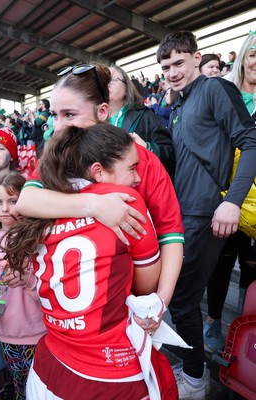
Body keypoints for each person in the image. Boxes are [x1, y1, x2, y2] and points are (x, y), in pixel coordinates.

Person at [5, 123, 177, 400]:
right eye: (132, 168)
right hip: (108, 370)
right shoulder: (126, 200)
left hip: (49, 363)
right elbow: (145, 285)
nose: (137, 178)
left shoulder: (44, 202)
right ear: (98, 171)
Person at [16, 63, 184, 312]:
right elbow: (26, 200)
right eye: (54, 115)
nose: (58, 126)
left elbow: (171, 233)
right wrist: (95, 205)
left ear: (103, 111)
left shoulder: (140, 158)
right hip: (69, 305)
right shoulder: (56, 157)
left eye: (69, 115)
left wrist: (160, 300)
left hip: (127, 304)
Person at [156, 30, 256, 399]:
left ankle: (196, 378)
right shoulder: (180, 106)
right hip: (183, 212)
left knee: (182, 298)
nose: (172, 71)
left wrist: (232, 200)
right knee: (180, 297)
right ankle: (191, 369)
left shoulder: (216, 89)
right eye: (166, 66)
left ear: (197, 58)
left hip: (207, 211)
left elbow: (251, 141)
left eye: (179, 62)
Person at [204, 31, 256, 353]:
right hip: (225, 197)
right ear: (243, 57)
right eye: (253, 55)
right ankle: (212, 322)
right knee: (221, 264)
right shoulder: (226, 94)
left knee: (251, 267)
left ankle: (244, 329)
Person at [0, 172, 46, 400]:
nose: (5, 208)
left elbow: (53, 285)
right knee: (21, 388)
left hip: (44, 333)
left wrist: (29, 279)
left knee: (45, 389)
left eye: (12, 201)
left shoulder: (41, 239)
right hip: (7, 334)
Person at [108, 65, 175, 175]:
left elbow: (169, 152)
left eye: (112, 80)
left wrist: (147, 148)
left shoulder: (146, 117)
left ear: (126, 88)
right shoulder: (93, 121)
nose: (106, 84)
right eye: (102, 80)